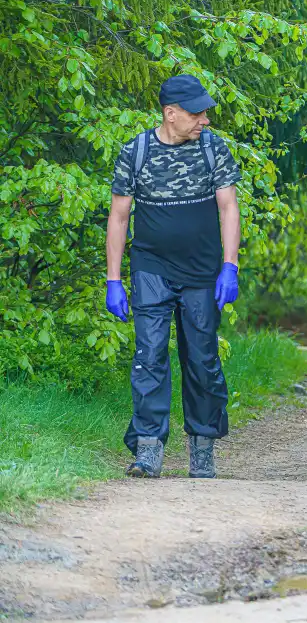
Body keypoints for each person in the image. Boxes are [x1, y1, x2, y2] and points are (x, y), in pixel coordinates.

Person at [105, 74, 242, 479]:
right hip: (152, 269)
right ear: (170, 113)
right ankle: (148, 449)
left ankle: (202, 448)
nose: (205, 120)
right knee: (149, 357)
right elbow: (119, 216)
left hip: (202, 272)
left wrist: (230, 266)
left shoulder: (213, 149)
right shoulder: (136, 152)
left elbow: (228, 207)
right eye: (197, 114)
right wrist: (113, 280)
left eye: (205, 113)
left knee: (202, 359)